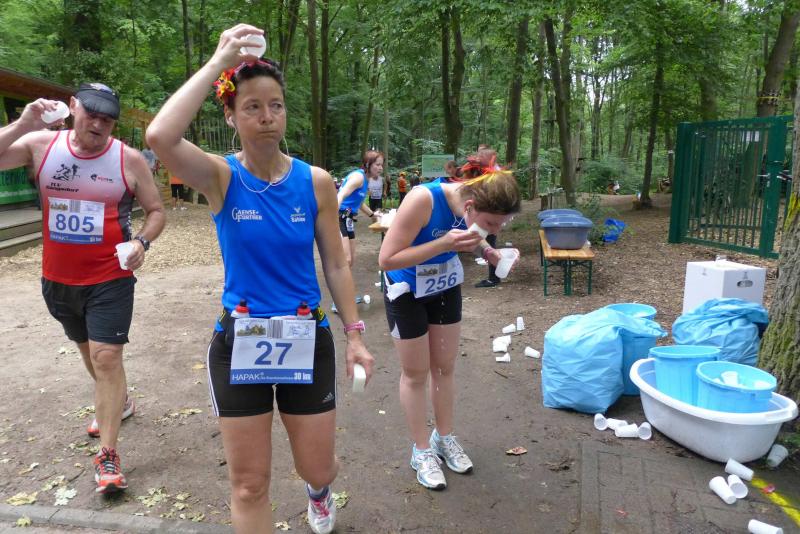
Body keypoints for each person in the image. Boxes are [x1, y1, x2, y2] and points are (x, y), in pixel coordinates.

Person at [145, 24, 374, 534]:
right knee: (249, 485)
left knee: (318, 468)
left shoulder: (315, 182)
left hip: (305, 336)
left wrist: (355, 335)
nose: (267, 116)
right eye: (252, 107)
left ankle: (319, 491)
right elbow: (160, 137)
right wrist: (217, 63)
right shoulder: (220, 177)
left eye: (276, 105)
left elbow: (336, 264)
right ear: (230, 115)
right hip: (241, 341)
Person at [0, 83, 166, 494]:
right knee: (90, 354)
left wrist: (141, 242)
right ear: (72, 107)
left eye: (107, 119)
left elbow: (156, 211)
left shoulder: (127, 159)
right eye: (91, 114)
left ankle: (108, 455)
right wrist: (23, 123)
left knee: (106, 357)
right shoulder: (40, 145)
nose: (97, 124)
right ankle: (119, 402)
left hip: (110, 278)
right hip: (58, 280)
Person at [378, 170, 521, 490]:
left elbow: (472, 237)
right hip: (405, 289)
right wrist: (443, 243)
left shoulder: (474, 207)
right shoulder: (423, 200)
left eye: (501, 224)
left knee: (444, 367)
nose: (495, 230)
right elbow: (387, 259)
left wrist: (488, 252)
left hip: (444, 286)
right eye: (492, 223)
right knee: (415, 373)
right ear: (469, 206)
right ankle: (421, 451)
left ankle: (443, 438)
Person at [336, 150, 382, 268]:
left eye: (381, 165)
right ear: (367, 164)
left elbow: (360, 203)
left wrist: (372, 215)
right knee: (346, 260)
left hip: (349, 219)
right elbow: (341, 195)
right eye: (377, 164)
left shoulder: (366, 179)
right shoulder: (358, 177)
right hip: (339, 217)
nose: (381, 168)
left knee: (351, 259)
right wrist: (332, 216)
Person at [473, 146, 504, 288]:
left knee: (490, 244)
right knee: (489, 243)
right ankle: (495, 276)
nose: (478, 157)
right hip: (489, 212)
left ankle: (494, 278)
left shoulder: (494, 172)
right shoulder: (490, 171)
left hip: (492, 213)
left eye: (481, 154)